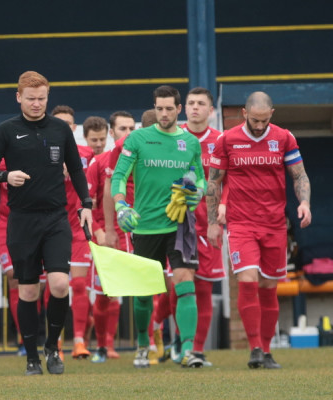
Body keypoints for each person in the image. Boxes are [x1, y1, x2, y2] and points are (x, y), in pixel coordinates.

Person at [0, 71, 92, 376]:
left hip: (56, 218)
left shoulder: (60, 129)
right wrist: (6, 176)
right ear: (19, 97)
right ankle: (31, 357)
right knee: (28, 292)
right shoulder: (5, 131)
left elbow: (76, 169)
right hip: (22, 221)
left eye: (41, 98)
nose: (36, 104)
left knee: (59, 285)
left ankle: (52, 347)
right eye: (30, 98)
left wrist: (86, 204)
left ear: (47, 97)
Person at [207, 91, 311, 369]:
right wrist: (213, 223)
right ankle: (254, 347)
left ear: (271, 115)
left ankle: (266, 351)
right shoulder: (227, 140)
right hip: (241, 224)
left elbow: (299, 174)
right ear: (244, 114)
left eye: (265, 120)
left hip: (275, 224)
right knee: (248, 281)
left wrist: (305, 203)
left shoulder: (283, 137)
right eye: (255, 120)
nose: (260, 125)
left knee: (268, 288)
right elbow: (213, 183)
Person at [110, 85, 205, 369]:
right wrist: (121, 206)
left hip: (179, 225)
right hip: (145, 225)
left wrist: (194, 192)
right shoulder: (137, 138)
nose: (164, 114)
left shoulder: (190, 143)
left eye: (169, 109)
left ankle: (188, 350)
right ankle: (142, 343)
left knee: (185, 283)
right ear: (154, 108)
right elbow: (118, 177)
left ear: (179, 109)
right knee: (143, 293)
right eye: (159, 108)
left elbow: (199, 179)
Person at [178, 87, 224, 366]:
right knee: (178, 286)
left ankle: (195, 350)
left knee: (204, 288)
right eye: (191, 103)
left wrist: (218, 220)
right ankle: (178, 344)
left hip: (208, 225)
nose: (195, 107)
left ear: (211, 110)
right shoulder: (174, 137)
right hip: (174, 223)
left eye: (201, 103)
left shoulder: (221, 141)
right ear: (184, 108)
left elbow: (226, 184)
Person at [86, 111, 136, 362]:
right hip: (110, 233)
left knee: (148, 289)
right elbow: (88, 203)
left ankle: (150, 344)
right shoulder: (101, 162)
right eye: (122, 129)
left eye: (131, 129)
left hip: (139, 232)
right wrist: (101, 231)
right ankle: (103, 346)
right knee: (107, 292)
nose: (127, 134)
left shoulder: (143, 156)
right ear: (112, 132)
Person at [54, 112, 101, 359]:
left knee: (80, 284)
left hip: (79, 227)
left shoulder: (86, 154)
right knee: (55, 287)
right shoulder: (41, 153)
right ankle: (57, 342)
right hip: (52, 228)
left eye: (68, 123)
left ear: (73, 127)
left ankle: (80, 342)